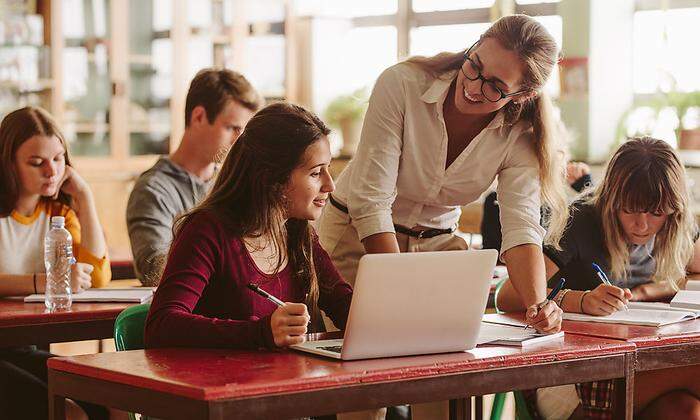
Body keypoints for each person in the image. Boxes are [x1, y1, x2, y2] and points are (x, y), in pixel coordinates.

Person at [497, 137, 700, 419]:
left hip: (634, 363)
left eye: (656, 213)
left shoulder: (675, 228)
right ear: (612, 199)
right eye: (629, 209)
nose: (642, 225)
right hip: (569, 376)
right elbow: (505, 296)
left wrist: (648, 291)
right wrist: (581, 301)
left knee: (686, 411)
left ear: (673, 210)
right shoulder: (581, 221)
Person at [144, 102, 352, 350]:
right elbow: (161, 326)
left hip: (284, 382)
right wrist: (260, 332)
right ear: (272, 178)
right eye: (316, 173)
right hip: (222, 384)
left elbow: (345, 306)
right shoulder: (206, 231)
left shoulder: (298, 233)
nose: (331, 185)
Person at [0, 106, 110, 419]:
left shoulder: (59, 214)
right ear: (8, 165)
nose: (52, 171)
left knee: (107, 404)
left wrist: (85, 196)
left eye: (58, 159)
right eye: (37, 163)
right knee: (70, 413)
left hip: (24, 345)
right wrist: (42, 281)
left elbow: (98, 277)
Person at [127, 68, 264, 286]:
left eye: (244, 132)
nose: (241, 142)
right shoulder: (152, 190)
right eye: (232, 128)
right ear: (198, 116)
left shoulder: (235, 184)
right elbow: (153, 270)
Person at [481, 160, 592, 251]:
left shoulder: (556, 204)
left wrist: (584, 184)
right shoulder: (495, 200)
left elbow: (592, 223)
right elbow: (491, 249)